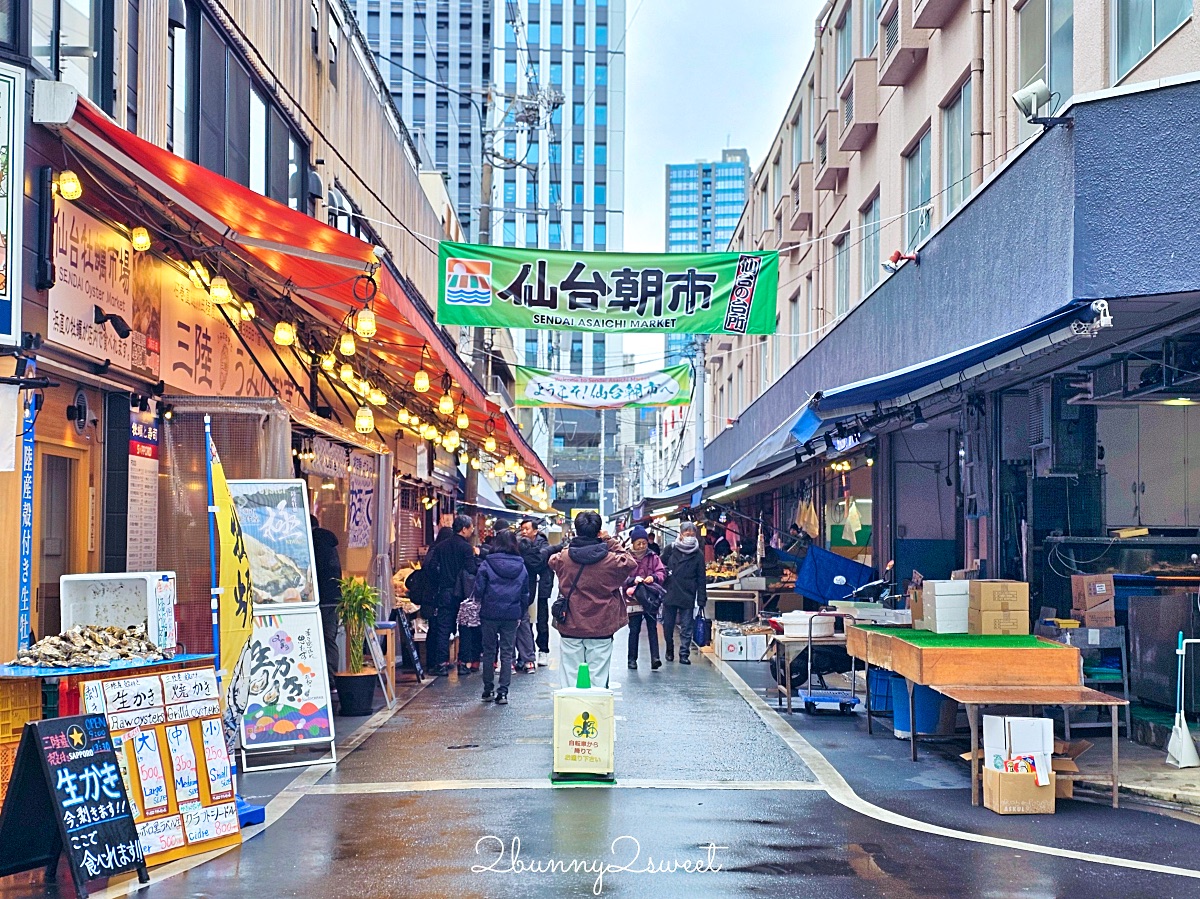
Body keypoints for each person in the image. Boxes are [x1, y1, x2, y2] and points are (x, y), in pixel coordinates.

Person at [549, 511, 636, 689]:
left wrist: (571, 544)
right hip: (601, 625)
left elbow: (552, 560)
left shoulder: (564, 558)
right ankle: (596, 712)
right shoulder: (611, 560)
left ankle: (571, 711)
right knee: (598, 677)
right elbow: (630, 562)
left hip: (571, 624)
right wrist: (610, 540)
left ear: (576, 530)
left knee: (570, 675)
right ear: (598, 532)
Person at [474, 528, 528, 705]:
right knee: (507, 652)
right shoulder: (521, 565)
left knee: (489, 651)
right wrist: (521, 610)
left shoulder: (487, 563)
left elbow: (479, 588)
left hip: (489, 613)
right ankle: (503, 692)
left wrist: (479, 600)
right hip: (511, 614)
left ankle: (488, 689)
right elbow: (525, 593)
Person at [423, 514, 477, 676]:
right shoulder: (466, 548)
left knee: (443, 629)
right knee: (465, 628)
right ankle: (462, 664)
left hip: (445, 592)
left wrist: (441, 579)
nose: (472, 530)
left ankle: (441, 663)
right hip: (462, 594)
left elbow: (432, 567)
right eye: (471, 527)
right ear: (464, 529)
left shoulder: (441, 546)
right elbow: (471, 569)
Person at [661, 522, 707, 665]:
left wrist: (701, 598)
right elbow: (659, 567)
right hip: (670, 591)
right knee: (668, 625)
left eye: (692, 533)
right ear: (680, 534)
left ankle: (684, 653)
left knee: (687, 626)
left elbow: (701, 577)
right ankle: (669, 648)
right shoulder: (670, 550)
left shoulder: (698, 554)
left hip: (688, 593)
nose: (690, 535)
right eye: (687, 533)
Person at [624, 526, 665, 671]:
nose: (641, 546)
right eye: (639, 543)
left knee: (652, 628)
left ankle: (655, 658)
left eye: (644, 543)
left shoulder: (653, 557)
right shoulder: (626, 557)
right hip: (633, 598)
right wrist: (632, 580)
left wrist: (653, 577)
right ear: (633, 543)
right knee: (634, 629)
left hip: (650, 598)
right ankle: (631, 659)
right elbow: (620, 576)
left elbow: (661, 572)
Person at [311, 515, 342, 686]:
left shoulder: (314, 543)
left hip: (321, 598)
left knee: (325, 639)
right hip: (334, 598)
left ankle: (329, 680)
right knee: (329, 639)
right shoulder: (329, 544)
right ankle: (331, 679)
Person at [519, 518, 554, 667]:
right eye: (522, 529)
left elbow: (538, 562)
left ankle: (543, 650)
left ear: (535, 531)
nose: (524, 532)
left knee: (541, 620)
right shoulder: (519, 544)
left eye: (527, 529)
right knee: (524, 621)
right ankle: (526, 653)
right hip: (524, 587)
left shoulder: (543, 544)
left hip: (541, 588)